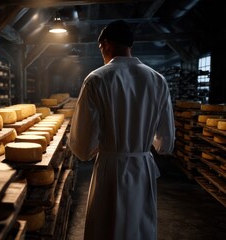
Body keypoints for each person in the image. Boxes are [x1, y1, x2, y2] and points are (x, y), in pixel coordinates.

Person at [68, 20, 175, 240]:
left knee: (107, 228)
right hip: (142, 167)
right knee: (139, 227)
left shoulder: (96, 79)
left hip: (110, 168)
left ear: (105, 45)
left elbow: (82, 145)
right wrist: (142, 143)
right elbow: (165, 143)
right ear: (130, 46)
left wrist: (104, 145)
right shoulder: (157, 80)